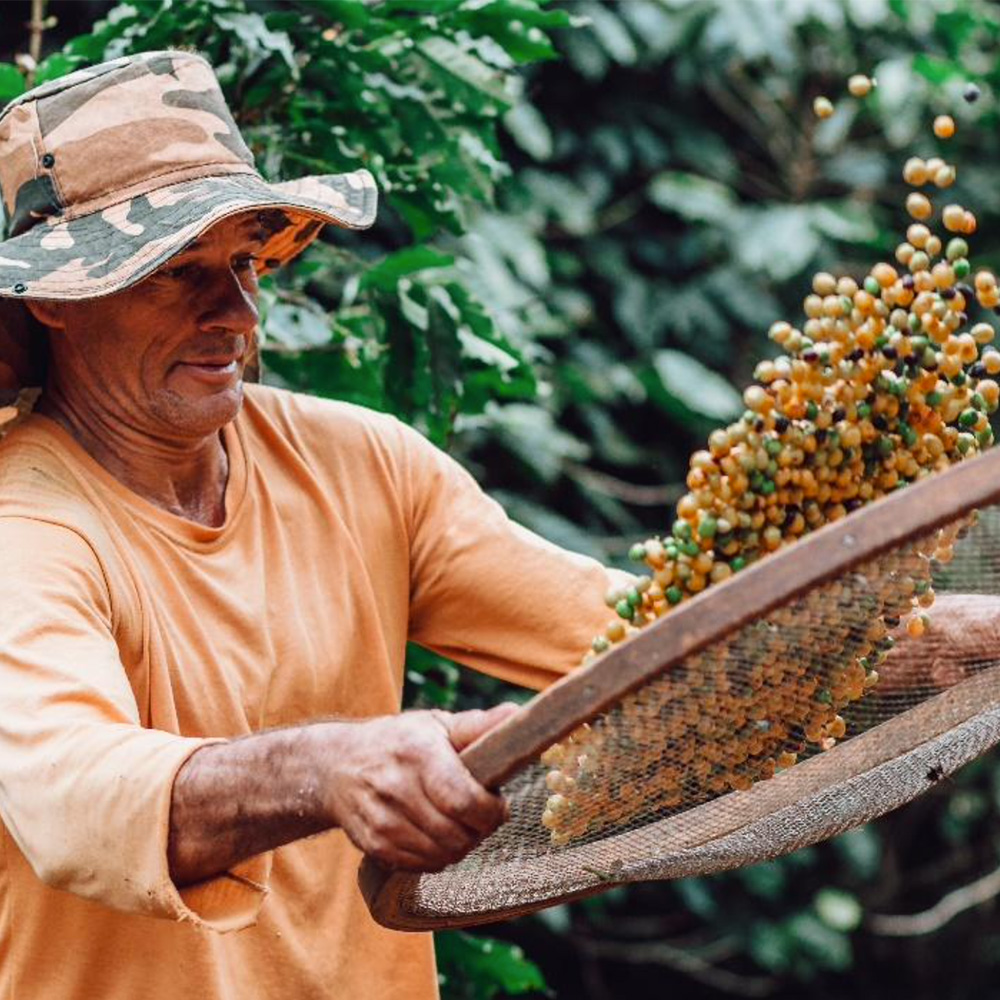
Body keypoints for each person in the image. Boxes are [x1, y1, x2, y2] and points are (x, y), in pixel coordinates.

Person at [0, 51, 631, 1000]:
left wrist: (902, 628)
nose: (236, 312)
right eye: (178, 271)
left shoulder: (363, 465)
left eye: (245, 262)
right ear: (56, 297)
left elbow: (638, 631)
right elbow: (75, 799)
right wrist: (329, 766)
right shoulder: (26, 528)